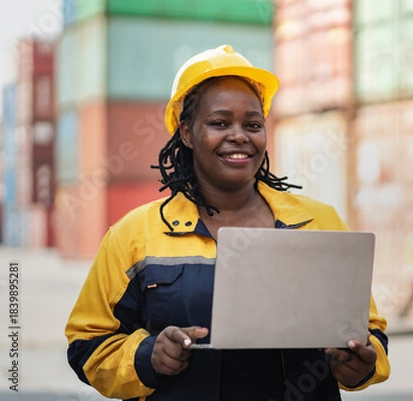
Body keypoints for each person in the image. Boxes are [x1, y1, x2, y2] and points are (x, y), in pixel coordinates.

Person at [65, 44, 390, 401]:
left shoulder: (318, 222)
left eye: (252, 124)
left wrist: (361, 364)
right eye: (220, 123)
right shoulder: (134, 236)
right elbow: (88, 346)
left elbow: (368, 332)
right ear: (187, 134)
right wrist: (148, 356)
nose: (239, 135)